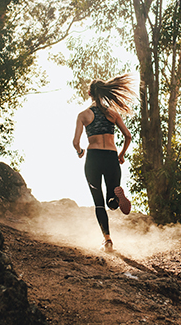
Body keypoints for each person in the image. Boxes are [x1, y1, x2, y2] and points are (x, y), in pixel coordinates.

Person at [72, 74, 136, 252]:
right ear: (104, 94)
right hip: (110, 156)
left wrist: (79, 152)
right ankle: (117, 195)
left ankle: (107, 240)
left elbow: (76, 142)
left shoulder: (83, 115)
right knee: (111, 201)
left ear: (89, 93)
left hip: (93, 157)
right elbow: (128, 136)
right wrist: (121, 154)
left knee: (99, 202)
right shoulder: (113, 114)